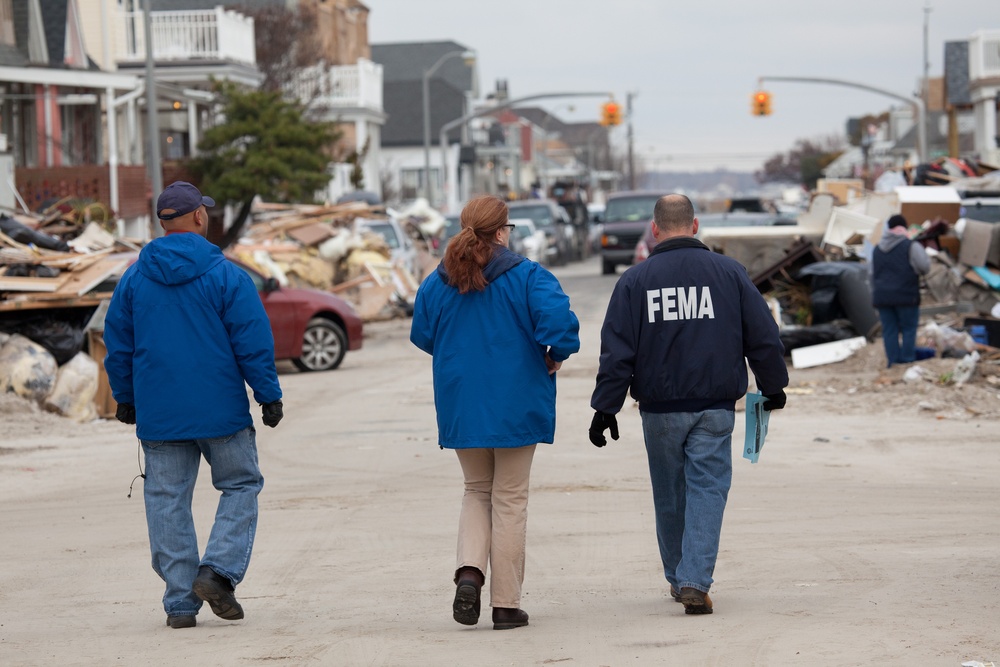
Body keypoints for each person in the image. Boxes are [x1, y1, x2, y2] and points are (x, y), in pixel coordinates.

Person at [589, 194, 788, 615]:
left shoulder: (634, 281)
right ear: (695, 226)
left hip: (659, 409)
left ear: (655, 229)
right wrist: (773, 385)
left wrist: (605, 407)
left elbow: (617, 351)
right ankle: (694, 578)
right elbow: (763, 335)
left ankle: (681, 579)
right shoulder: (730, 273)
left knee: (670, 494)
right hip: (715, 405)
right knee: (708, 489)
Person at [104, 181, 284, 630]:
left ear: (162, 224)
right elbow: (253, 341)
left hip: (160, 413)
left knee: (166, 500)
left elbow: (118, 344)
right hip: (220, 409)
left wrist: (124, 396)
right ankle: (217, 572)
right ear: (200, 217)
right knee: (240, 485)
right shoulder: (226, 275)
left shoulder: (133, 278)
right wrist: (268, 395)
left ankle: (181, 604)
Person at [410, 195, 580, 630]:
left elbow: (423, 334)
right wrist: (553, 355)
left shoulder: (438, 281)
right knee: (509, 499)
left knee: (475, 491)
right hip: (517, 401)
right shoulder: (527, 276)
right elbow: (560, 327)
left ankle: (469, 572)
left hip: (462, 402)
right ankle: (505, 605)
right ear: (503, 231)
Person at [870, 214, 930, 367]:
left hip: (882, 298)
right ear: (904, 227)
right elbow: (925, 266)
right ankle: (907, 360)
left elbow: (871, 273)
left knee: (889, 331)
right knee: (909, 329)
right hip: (906, 296)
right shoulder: (911, 245)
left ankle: (893, 362)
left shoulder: (877, 249)